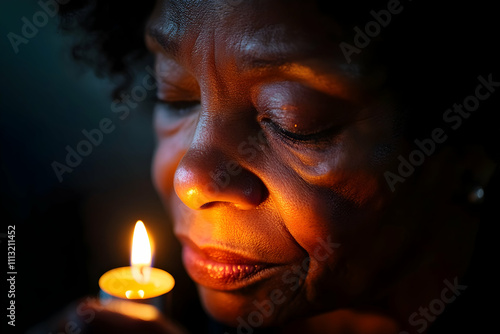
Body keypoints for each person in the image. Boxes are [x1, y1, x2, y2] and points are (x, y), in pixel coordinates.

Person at [44, 0, 498, 333]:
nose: (192, 180)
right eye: (176, 97)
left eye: (293, 122)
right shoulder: (72, 262)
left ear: (468, 144)